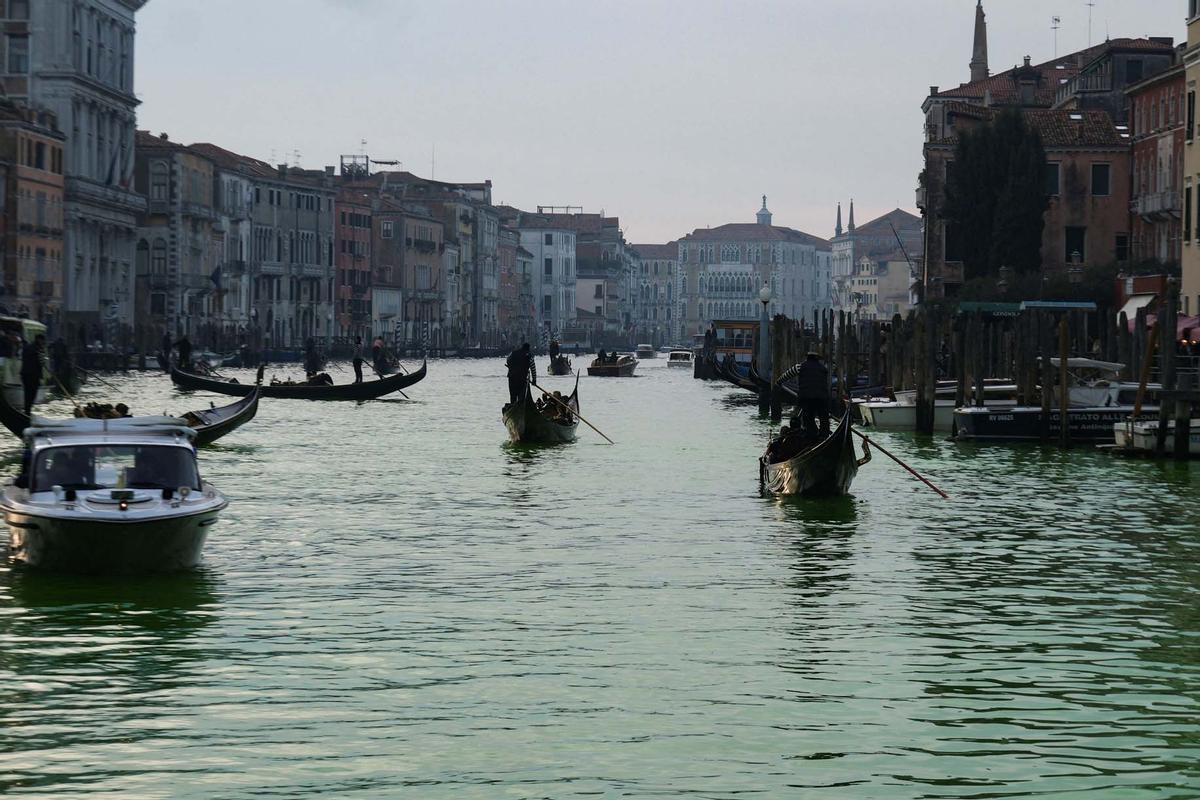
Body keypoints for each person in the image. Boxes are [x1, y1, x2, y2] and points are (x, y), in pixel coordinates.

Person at [793, 351, 831, 438]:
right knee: (824, 418)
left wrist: (778, 382)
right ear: (817, 359)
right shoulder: (823, 369)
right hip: (822, 398)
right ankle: (824, 436)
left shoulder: (800, 367)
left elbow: (787, 375)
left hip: (806, 398)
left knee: (808, 418)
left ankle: (812, 435)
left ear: (807, 358)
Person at [20, 334, 44, 416]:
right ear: (38, 340)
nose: (42, 342)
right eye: (42, 340)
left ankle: (27, 410)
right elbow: (40, 363)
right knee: (31, 393)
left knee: (28, 393)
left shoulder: (29, 348)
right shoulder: (36, 349)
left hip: (26, 374)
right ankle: (27, 411)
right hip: (32, 375)